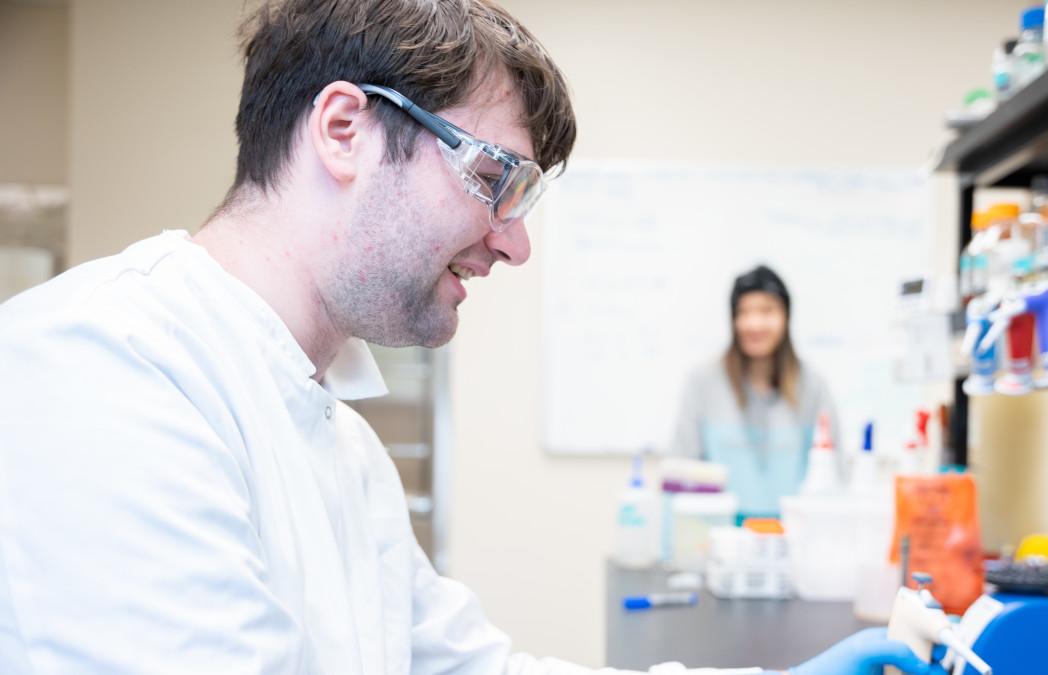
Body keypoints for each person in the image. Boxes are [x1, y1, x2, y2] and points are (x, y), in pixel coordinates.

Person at [0, 2, 939, 674]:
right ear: (343, 129)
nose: (515, 241)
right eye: (496, 177)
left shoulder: (343, 450)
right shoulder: (104, 367)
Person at [671, 265, 841, 518]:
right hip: (719, 537)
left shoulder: (813, 387)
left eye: (766, 311)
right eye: (744, 312)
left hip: (792, 537)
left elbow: (834, 474)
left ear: (785, 316)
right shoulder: (703, 383)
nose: (754, 323)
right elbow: (681, 473)